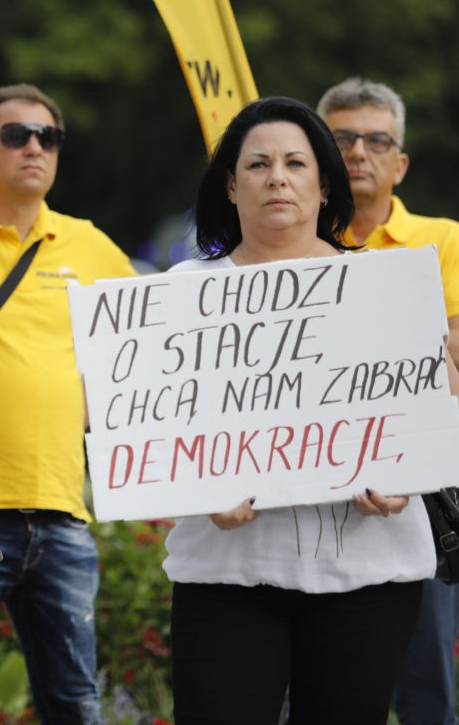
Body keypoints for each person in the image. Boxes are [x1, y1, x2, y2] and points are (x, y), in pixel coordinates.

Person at [164, 95, 459, 725]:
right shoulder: (179, 296)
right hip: (225, 575)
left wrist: (407, 480)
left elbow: (436, 401)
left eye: (296, 163)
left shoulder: (391, 282)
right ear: (232, 186)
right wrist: (195, 489)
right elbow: (151, 427)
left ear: (324, 186)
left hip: (370, 574)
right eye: (258, 164)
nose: (277, 176)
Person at [0, 84, 134, 725]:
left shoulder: (92, 247)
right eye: (16, 135)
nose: (35, 148)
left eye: (48, 137)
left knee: (76, 706)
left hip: (60, 513)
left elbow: (147, 360)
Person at [316, 77, 459, 725]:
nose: (357, 153)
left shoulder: (446, 242)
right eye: (340, 138)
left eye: (376, 140)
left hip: (417, 491)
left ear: (400, 162)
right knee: (323, 681)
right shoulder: (288, 244)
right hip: (308, 489)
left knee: (426, 680)